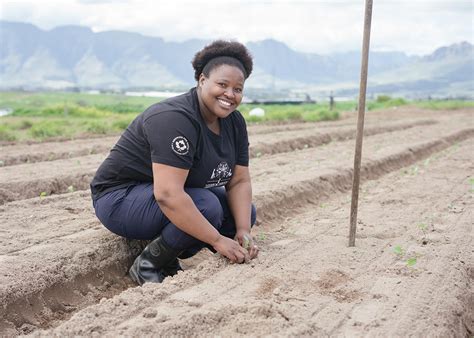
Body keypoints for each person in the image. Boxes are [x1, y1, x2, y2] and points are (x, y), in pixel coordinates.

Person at [90, 40, 259, 286]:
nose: (230, 95)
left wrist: (243, 230)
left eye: (238, 89)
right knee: (207, 206)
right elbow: (168, 195)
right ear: (202, 80)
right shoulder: (174, 118)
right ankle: (150, 263)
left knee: (241, 213)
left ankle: (173, 249)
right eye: (222, 85)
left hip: (158, 195)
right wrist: (217, 240)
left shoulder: (234, 123)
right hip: (119, 198)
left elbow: (239, 180)